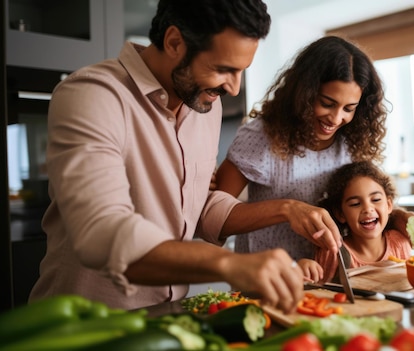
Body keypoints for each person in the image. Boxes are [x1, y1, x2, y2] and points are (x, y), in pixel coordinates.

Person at [28, 0, 343, 314]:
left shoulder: (205, 105)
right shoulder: (93, 95)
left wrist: (288, 209)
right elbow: (102, 230)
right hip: (84, 322)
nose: (233, 89)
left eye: (241, 71)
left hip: (167, 314)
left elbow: (199, 205)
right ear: (174, 42)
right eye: (223, 69)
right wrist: (230, 264)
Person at [215, 35, 414, 269]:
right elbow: (214, 219)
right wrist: (287, 209)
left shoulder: (352, 142)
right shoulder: (262, 136)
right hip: (266, 277)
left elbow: (362, 206)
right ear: (304, 93)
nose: (335, 118)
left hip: (331, 278)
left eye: (348, 108)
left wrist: (399, 217)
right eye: (327, 103)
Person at [299, 161, 413, 282]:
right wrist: (304, 270)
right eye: (355, 204)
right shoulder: (332, 252)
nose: (367, 209)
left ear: (389, 205)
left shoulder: (400, 243)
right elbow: (318, 291)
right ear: (340, 213)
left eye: (376, 199)